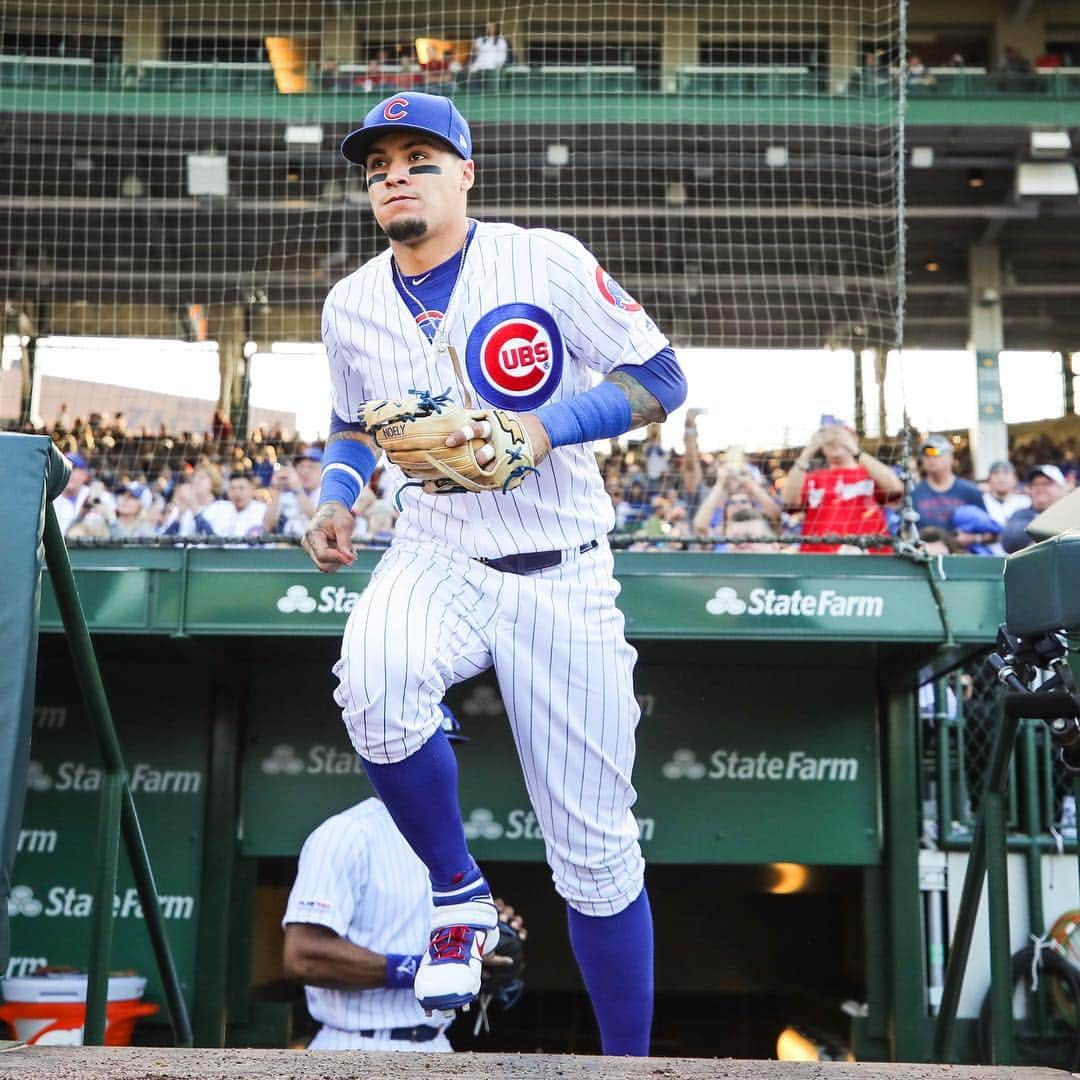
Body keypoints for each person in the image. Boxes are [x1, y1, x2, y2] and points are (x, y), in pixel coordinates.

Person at [302, 91, 687, 1055]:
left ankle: (627, 1069)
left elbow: (661, 378)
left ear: (466, 173)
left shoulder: (540, 257)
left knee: (596, 858)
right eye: (378, 161)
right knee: (375, 682)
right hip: (438, 550)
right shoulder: (351, 303)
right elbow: (353, 425)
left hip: (564, 571)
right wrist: (338, 496)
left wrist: (541, 426)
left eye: (418, 157)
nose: (393, 172)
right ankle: (456, 891)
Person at [282, 708, 525, 1051]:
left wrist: (483, 941)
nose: (431, 766)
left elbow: (448, 936)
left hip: (436, 1045)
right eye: (420, 754)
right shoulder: (346, 835)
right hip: (356, 1048)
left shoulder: (451, 847)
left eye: (442, 752)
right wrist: (427, 968)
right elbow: (304, 956)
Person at [781, 423, 902, 553]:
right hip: (819, 559)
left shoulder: (871, 472)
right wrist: (808, 452)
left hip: (869, 557)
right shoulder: (813, 478)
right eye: (828, 437)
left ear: (854, 438)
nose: (834, 439)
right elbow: (788, 502)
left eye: (839, 434)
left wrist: (855, 450)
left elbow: (896, 489)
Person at [911, 435, 985, 530]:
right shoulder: (914, 493)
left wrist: (972, 538)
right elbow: (905, 531)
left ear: (950, 457)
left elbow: (990, 532)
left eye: (936, 453)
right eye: (925, 455)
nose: (930, 458)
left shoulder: (970, 491)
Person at [1001, 464, 1068, 554]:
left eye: (1046, 483)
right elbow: (1010, 541)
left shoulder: (1072, 513)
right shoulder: (1021, 514)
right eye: (1035, 484)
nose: (1040, 488)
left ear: (1062, 489)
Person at [264, 448, 323, 537]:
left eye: (311, 466)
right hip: (289, 547)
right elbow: (268, 526)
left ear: (323, 471)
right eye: (301, 466)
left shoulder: (328, 494)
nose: (304, 471)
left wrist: (298, 490)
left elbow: (321, 523)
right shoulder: (288, 495)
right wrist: (277, 491)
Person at [982, 460, 1029, 529]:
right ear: (989, 480)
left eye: (1006, 473)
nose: (1001, 478)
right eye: (996, 474)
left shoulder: (1025, 502)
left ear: (1015, 479)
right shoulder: (981, 501)